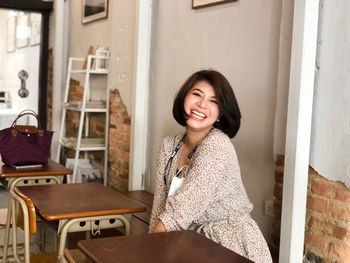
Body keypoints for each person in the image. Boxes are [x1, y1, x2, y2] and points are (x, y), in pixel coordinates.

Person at [149, 69, 272, 263]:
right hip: (188, 240)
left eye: (214, 101)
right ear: (184, 97)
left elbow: (182, 209)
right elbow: (160, 206)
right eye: (197, 94)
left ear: (220, 114)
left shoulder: (217, 145)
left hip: (230, 244)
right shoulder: (169, 146)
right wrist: (149, 247)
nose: (202, 104)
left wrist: (150, 251)